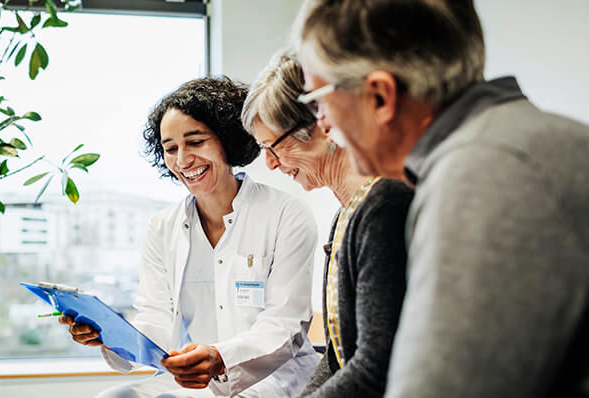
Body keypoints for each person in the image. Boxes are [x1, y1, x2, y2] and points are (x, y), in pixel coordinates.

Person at [293, 1, 589, 397]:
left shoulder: (479, 174)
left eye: (319, 100)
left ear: (380, 96)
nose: (322, 122)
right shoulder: (532, 140)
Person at [61, 76, 320, 397]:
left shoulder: (285, 214)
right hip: (193, 382)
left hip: (275, 377)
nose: (182, 160)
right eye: (170, 149)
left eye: (195, 142)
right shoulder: (163, 226)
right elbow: (155, 318)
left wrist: (221, 357)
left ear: (227, 139)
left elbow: (285, 323)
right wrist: (108, 333)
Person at [242, 51, 413, 398]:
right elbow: (337, 355)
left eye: (273, 147)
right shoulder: (344, 216)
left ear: (322, 123)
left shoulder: (385, 204)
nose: (271, 165)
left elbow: (375, 366)